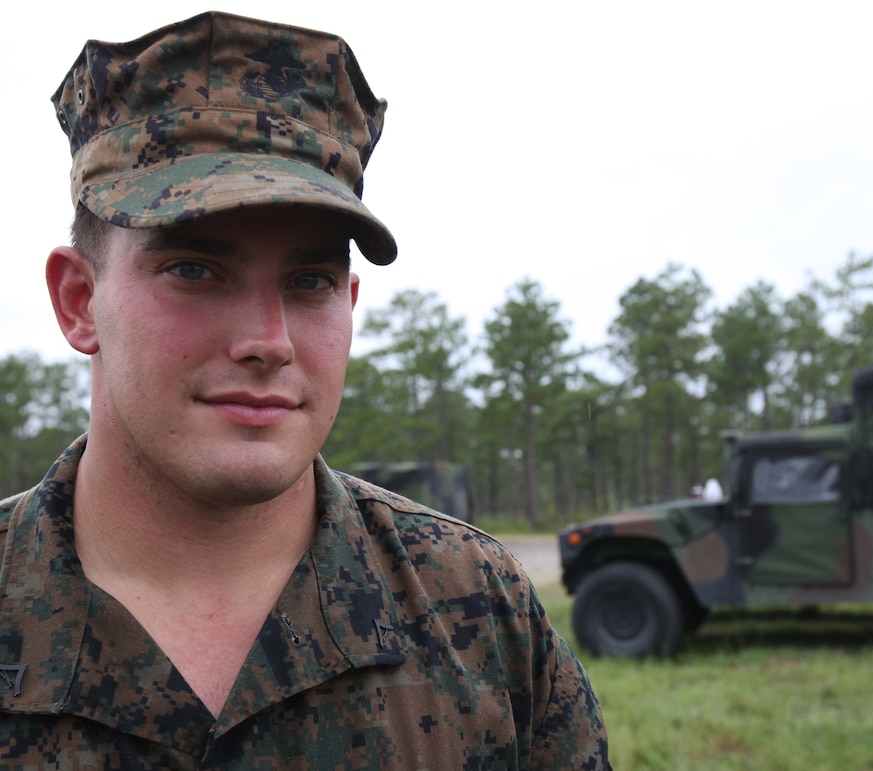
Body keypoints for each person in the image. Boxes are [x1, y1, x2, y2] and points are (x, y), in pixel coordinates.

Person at [0, 11, 608, 769]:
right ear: (79, 301)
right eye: (195, 269)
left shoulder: (480, 614)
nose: (270, 341)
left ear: (348, 304)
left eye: (309, 280)